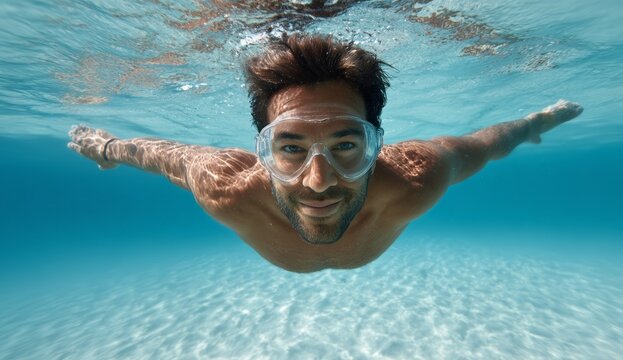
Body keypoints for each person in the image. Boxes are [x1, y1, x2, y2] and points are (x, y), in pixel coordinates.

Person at [67, 34, 583, 272]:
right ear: (261, 151)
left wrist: (535, 123)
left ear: (376, 143)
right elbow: (161, 156)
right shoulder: (225, 187)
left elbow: (488, 145)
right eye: (289, 147)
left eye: (345, 145)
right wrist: (109, 147)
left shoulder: (416, 177)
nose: (319, 181)